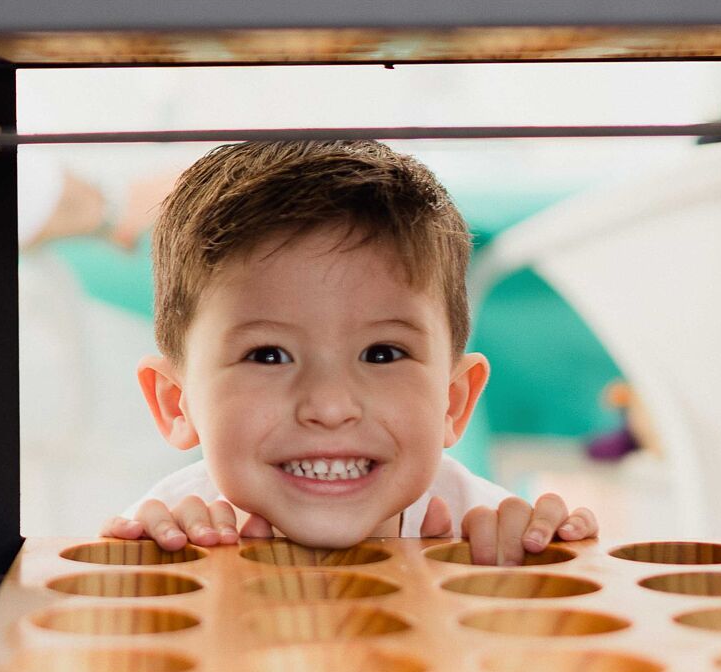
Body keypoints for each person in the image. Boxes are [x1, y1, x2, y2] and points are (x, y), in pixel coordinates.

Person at [99, 139, 600, 565]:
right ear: (175, 403)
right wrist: (150, 581)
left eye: (382, 354)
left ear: (453, 401)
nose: (331, 406)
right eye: (269, 355)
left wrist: (532, 577)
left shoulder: (485, 536)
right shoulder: (177, 533)